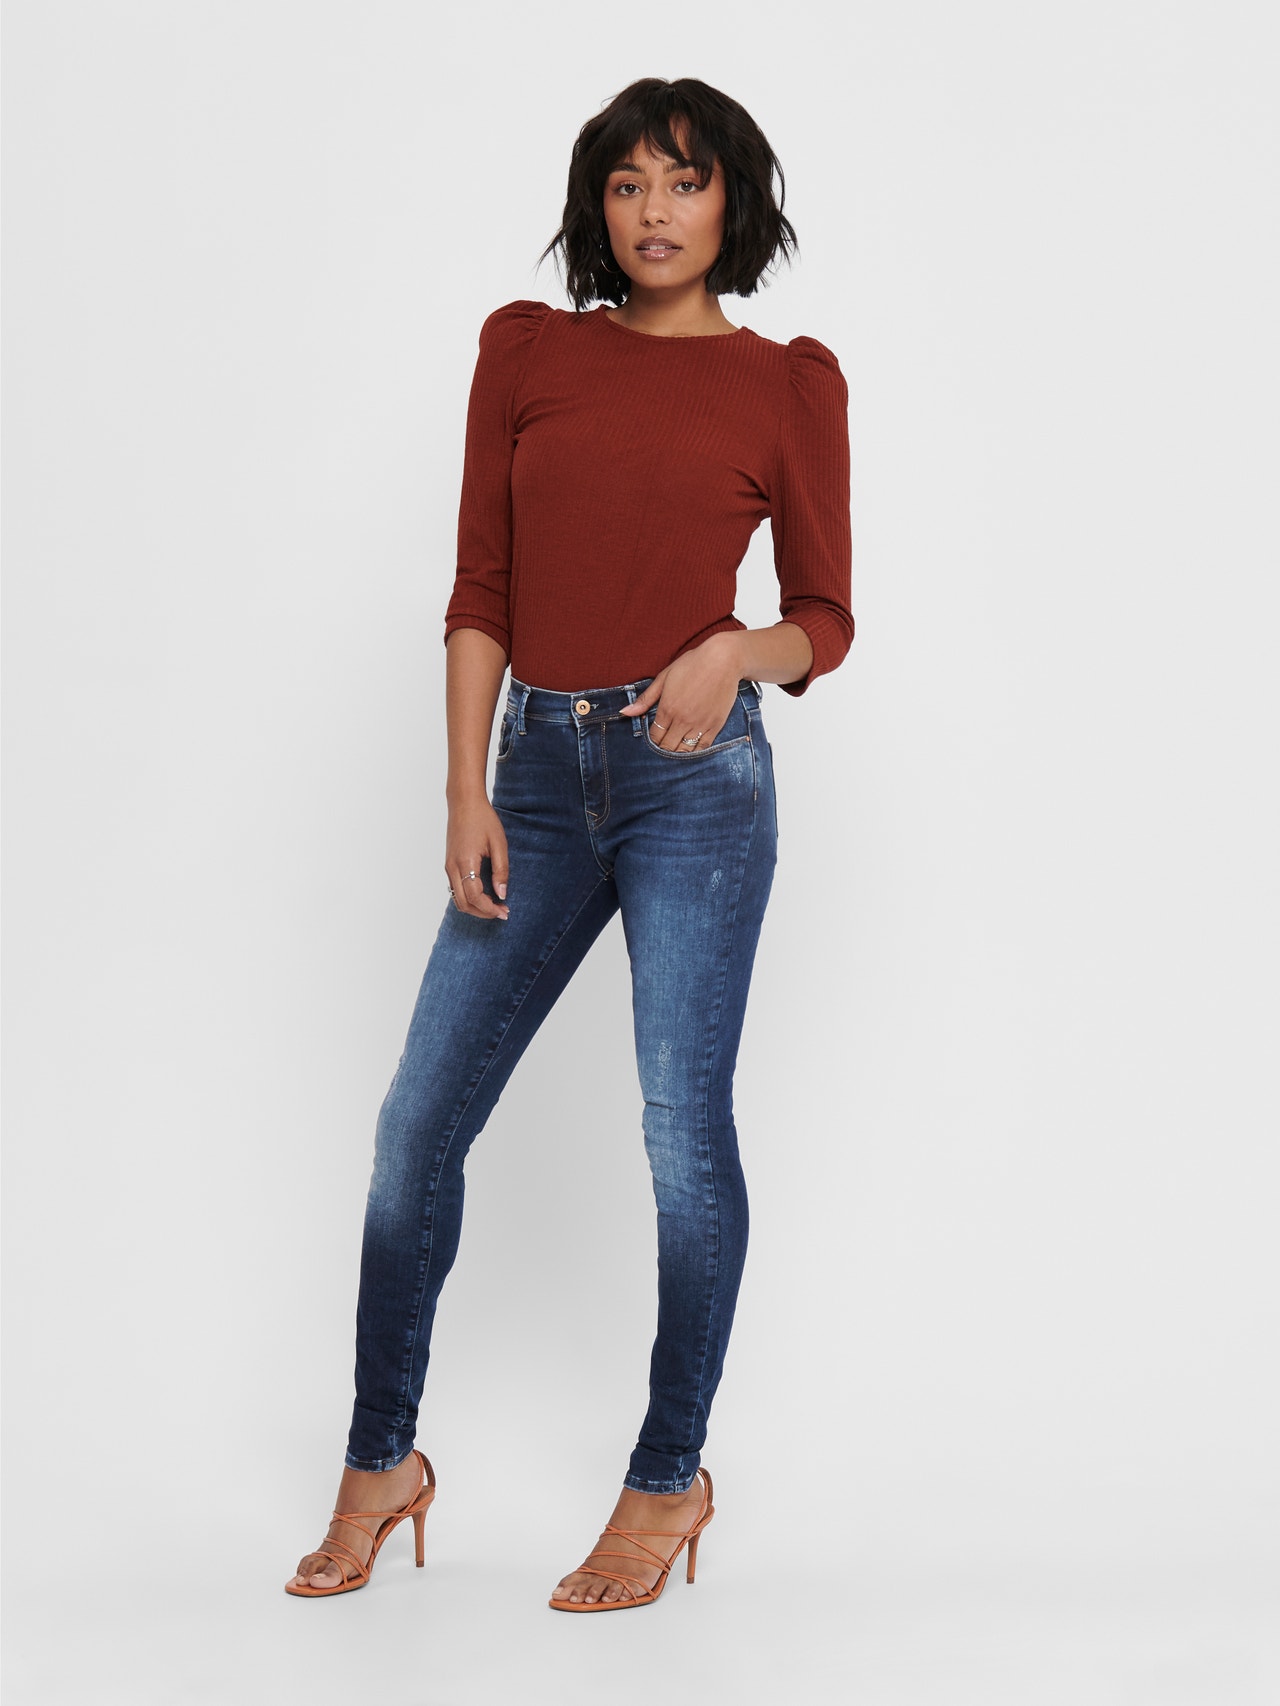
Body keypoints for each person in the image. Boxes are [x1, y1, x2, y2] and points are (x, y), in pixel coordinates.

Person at [286, 74, 853, 1611]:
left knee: (681, 1133)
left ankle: (668, 1479)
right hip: (532, 777)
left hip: (696, 783)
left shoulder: (787, 384)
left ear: (734, 201)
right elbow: (482, 585)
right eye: (626, 183)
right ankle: (379, 1463)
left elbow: (826, 618)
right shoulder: (529, 350)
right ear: (595, 205)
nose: (654, 211)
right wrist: (465, 789)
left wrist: (734, 652)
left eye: (685, 181)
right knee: (417, 1126)